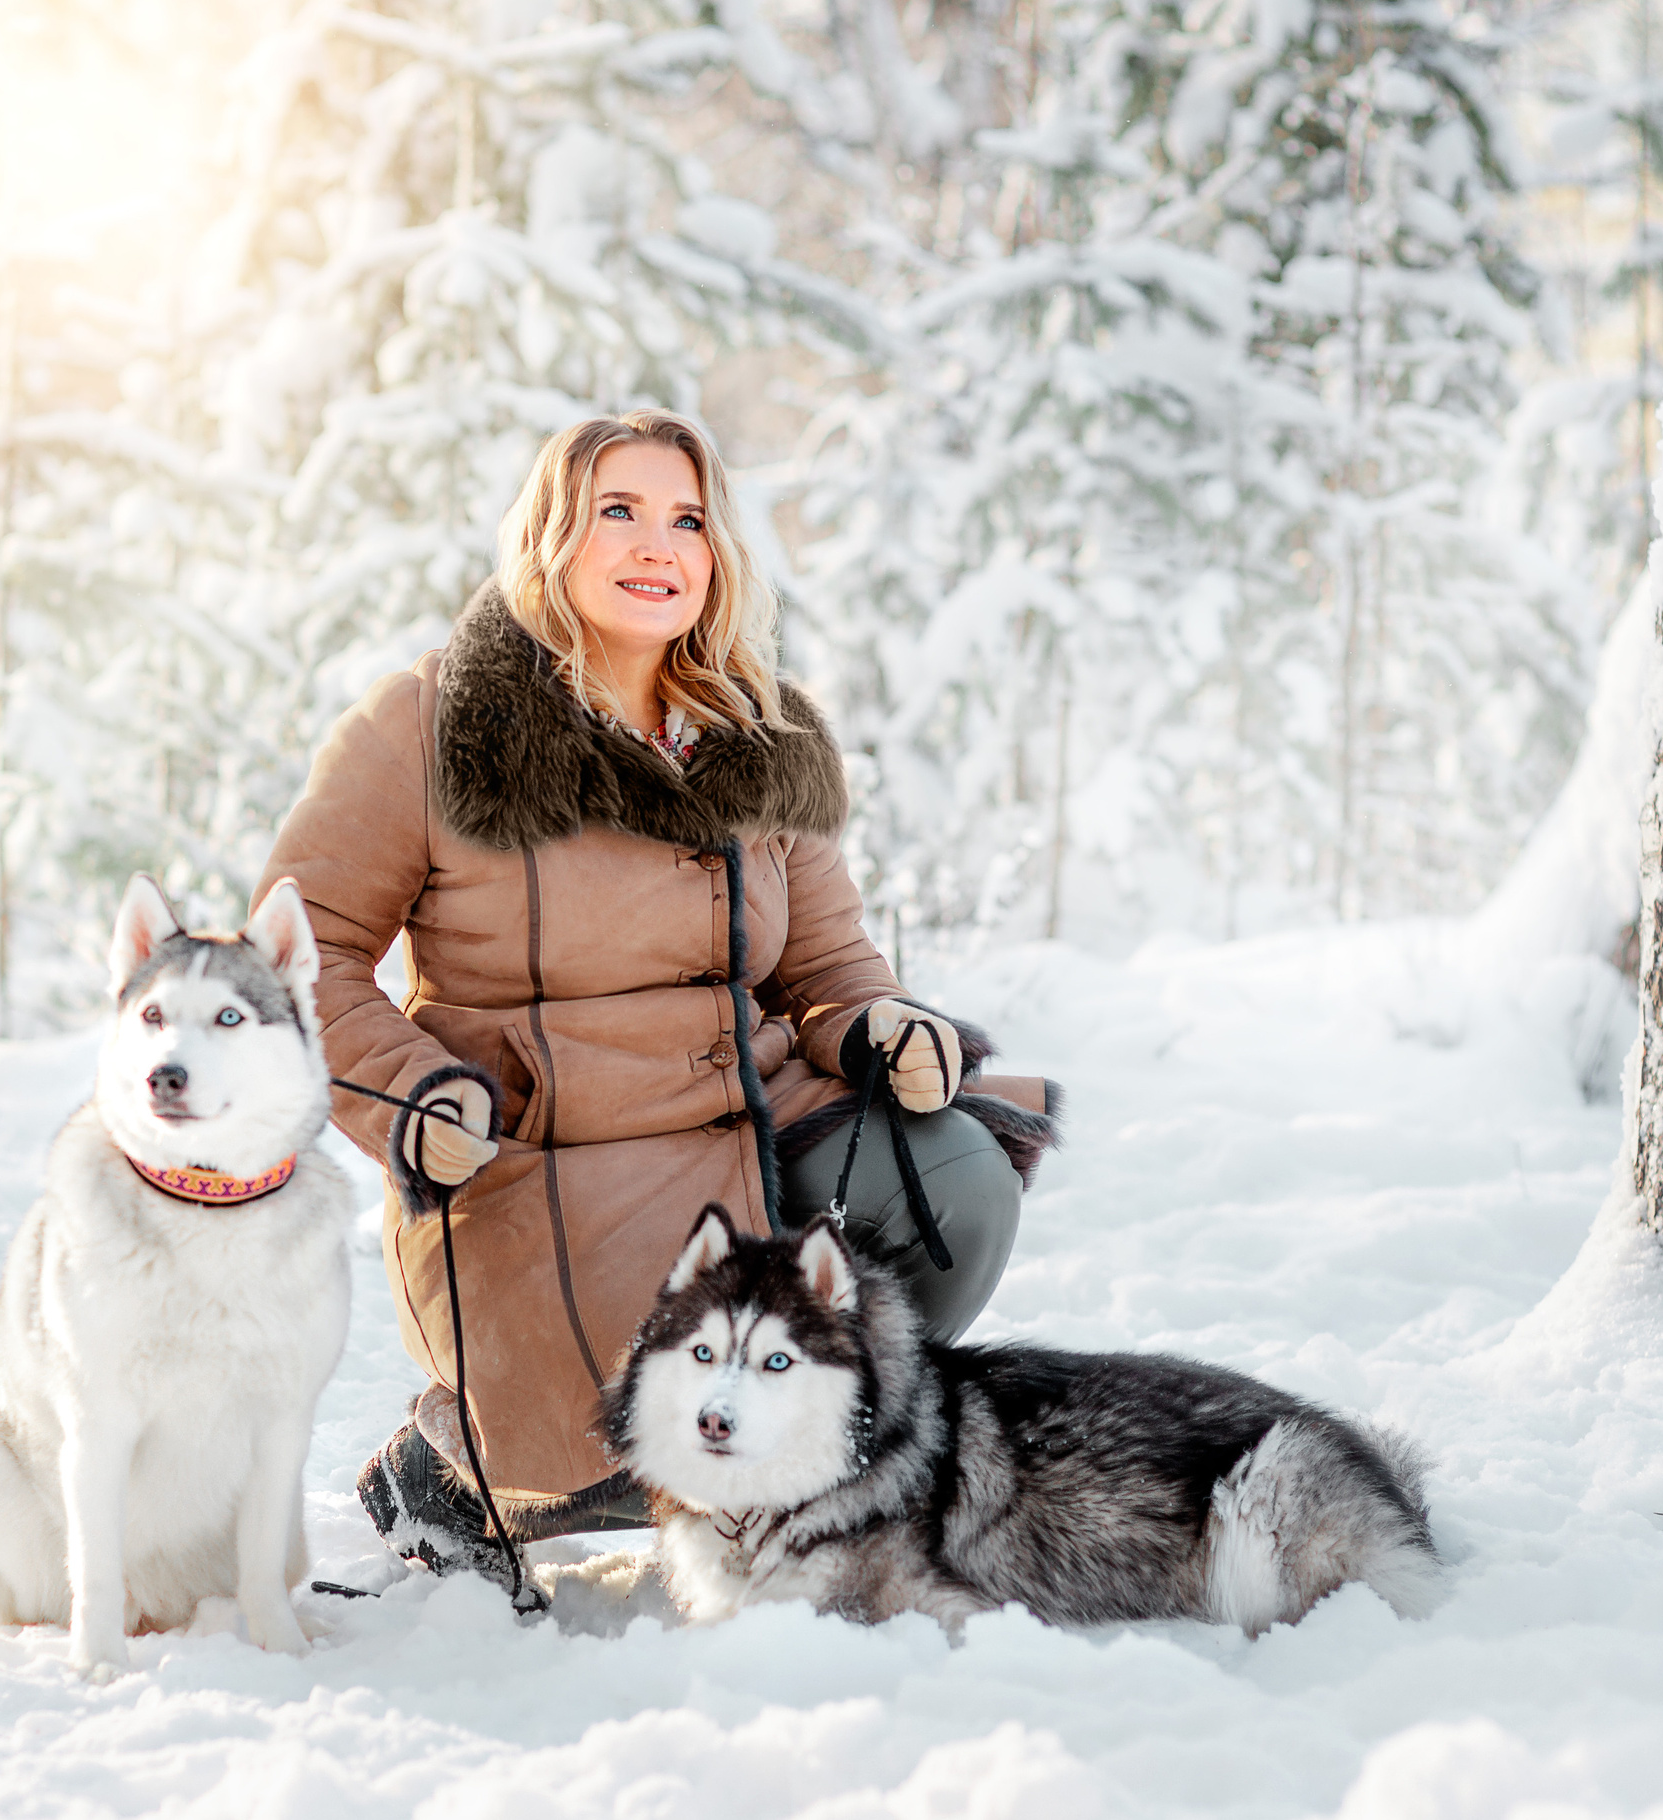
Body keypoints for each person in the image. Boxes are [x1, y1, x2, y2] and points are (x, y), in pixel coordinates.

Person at [255, 409, 1061, 1577]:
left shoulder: (763, 726)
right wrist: (412, 1095)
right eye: (618, 511)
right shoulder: (425, 725)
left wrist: (880, 1026)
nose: (657, 544)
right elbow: (301, 955)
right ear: (551, 534)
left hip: (751, 1124)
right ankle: (458, 1470)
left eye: (687, 519)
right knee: (617, 1431)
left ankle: (777, 1467)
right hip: (547, 1162)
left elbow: (829, 965)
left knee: (955, 1178)